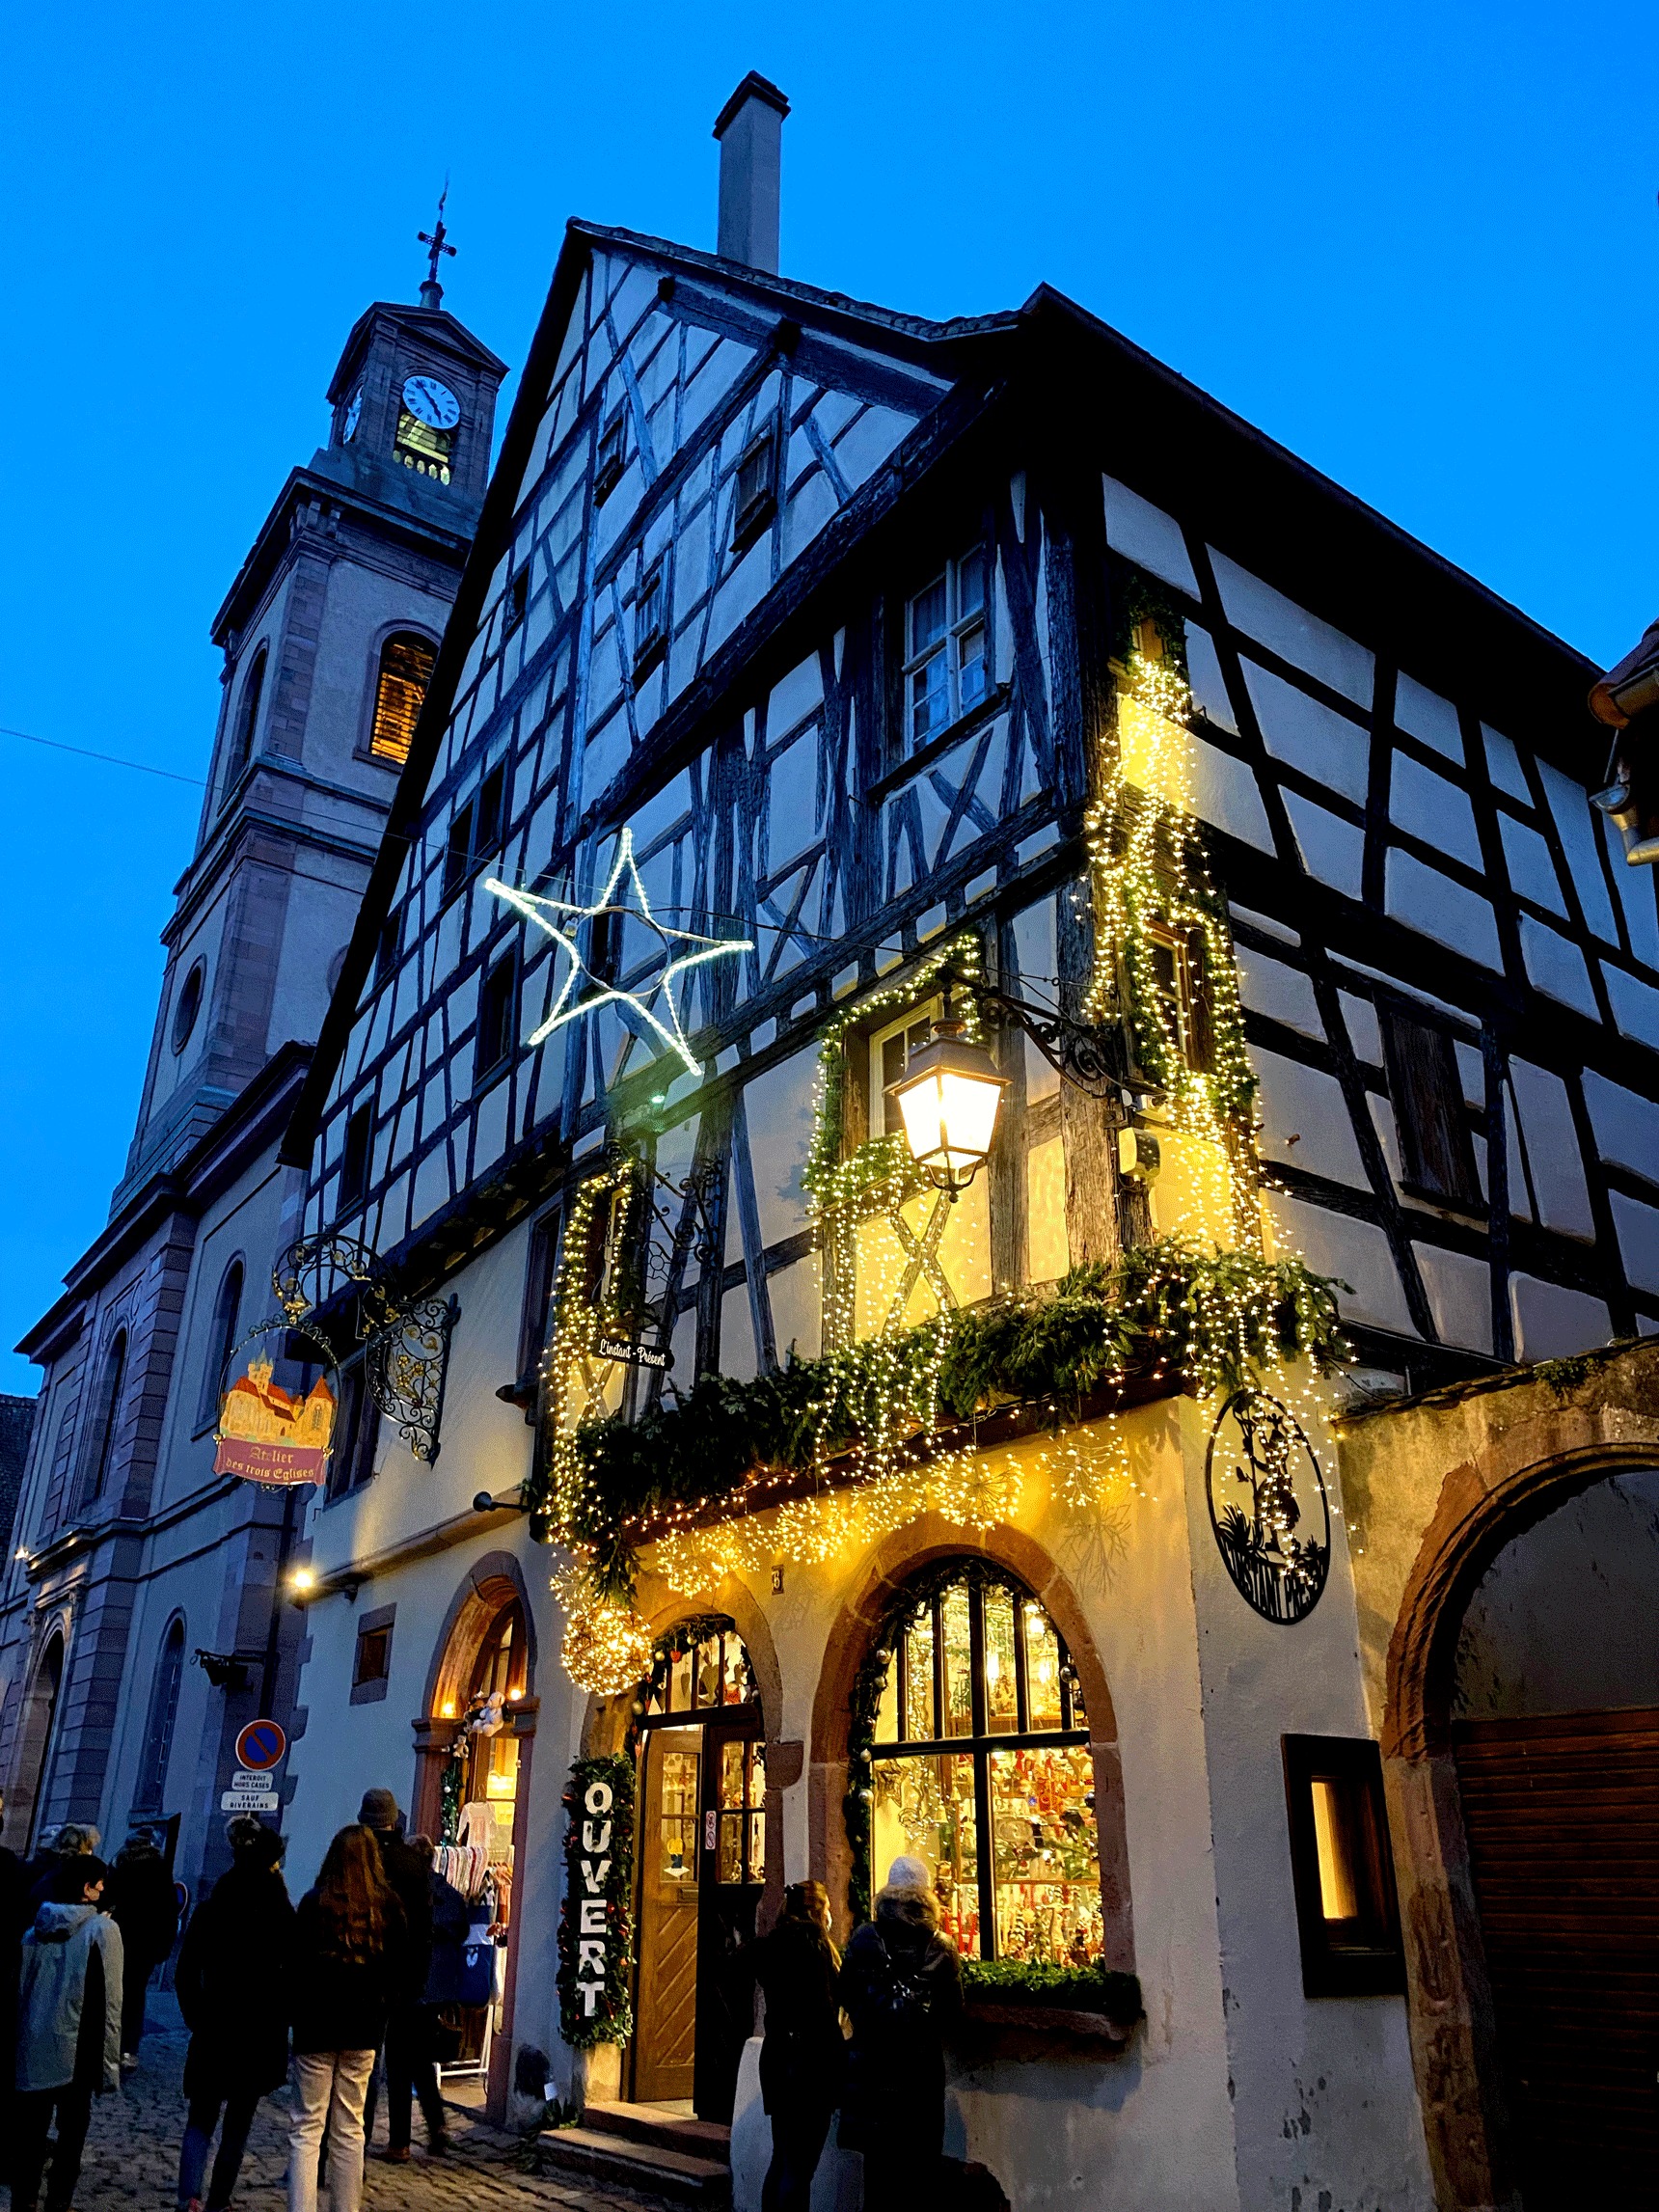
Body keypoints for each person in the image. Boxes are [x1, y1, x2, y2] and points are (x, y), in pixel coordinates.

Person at [175, 1816, 296, 2212]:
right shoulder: (280, 1913)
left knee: (201, 2118)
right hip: (258, 2032)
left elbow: (186, 1971)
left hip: (215, 2025)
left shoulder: (215, 1905)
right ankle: (219, 2200)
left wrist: (197, 2015)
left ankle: (188, 2198)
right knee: (238, 2122)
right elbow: (294, 1974)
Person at [287, 1824, 407, 2212]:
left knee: (307, 2127)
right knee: (350, 2128)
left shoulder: (313, 1903)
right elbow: (397, 1970)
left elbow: (295, 1968)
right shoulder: (387, 1905)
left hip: (315, 2026)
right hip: (363, 2026)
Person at [838, 1854, 962, 2212]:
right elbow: (951, 2012)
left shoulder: (864, 1939)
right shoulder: (940, 1946)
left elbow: (844, 1993)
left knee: (878, 2172)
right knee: (919, 2172)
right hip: (919, 2072)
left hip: (873, 2071)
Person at [12, 1853, 124, 2212]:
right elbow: (111, 1999)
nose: (105, 1889)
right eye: (100, 1883)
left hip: (35, 2039)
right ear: (87, 1890)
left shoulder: (35, 1928)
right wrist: (110, 2060)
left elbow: (20, 1992)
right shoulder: (103, 1930)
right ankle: (59, 2202)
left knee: (31, 2134)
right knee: (72, 2134)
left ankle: (24, 2201)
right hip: (81, 2047)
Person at [751, 1881, 844, 2212]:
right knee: (800, 2166)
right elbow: (834, 1998)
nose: (831, 1916)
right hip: (810, 2064)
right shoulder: (816, 1946)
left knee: (783, 2158)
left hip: (777, 2058)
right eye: (828, 1908)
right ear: (817, 1911)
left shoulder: (772, 1944)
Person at [352, 1789, 431, 2157]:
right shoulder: (412, 1862)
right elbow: (424, 1927)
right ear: (395, 1819)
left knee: (365, 2061)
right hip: (405, 1977)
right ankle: (400, 2141)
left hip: (367, 1974)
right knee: (400, 2063)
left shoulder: (361, 1860)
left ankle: (359, 2136)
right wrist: (419, 1976)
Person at [379, 1835, 464, 2161]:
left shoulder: (406, 1892)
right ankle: (438, 2126)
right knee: (422, 2061)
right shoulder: (449, 1893)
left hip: (409, 1990)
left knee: (400, 2063)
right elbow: (459, 1933)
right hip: (436, 1993)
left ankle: (399, 2142)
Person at [105, 1830, 180, 2067]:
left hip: (120, 1938)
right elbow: (169, 1912)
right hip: (146, 1944)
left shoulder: (121, 1868)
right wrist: (163, 1946)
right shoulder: (160, 1871)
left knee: (114, 1992)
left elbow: (109, 1902)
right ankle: (128, 2048)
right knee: (135, 1995)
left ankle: (110, 2042)